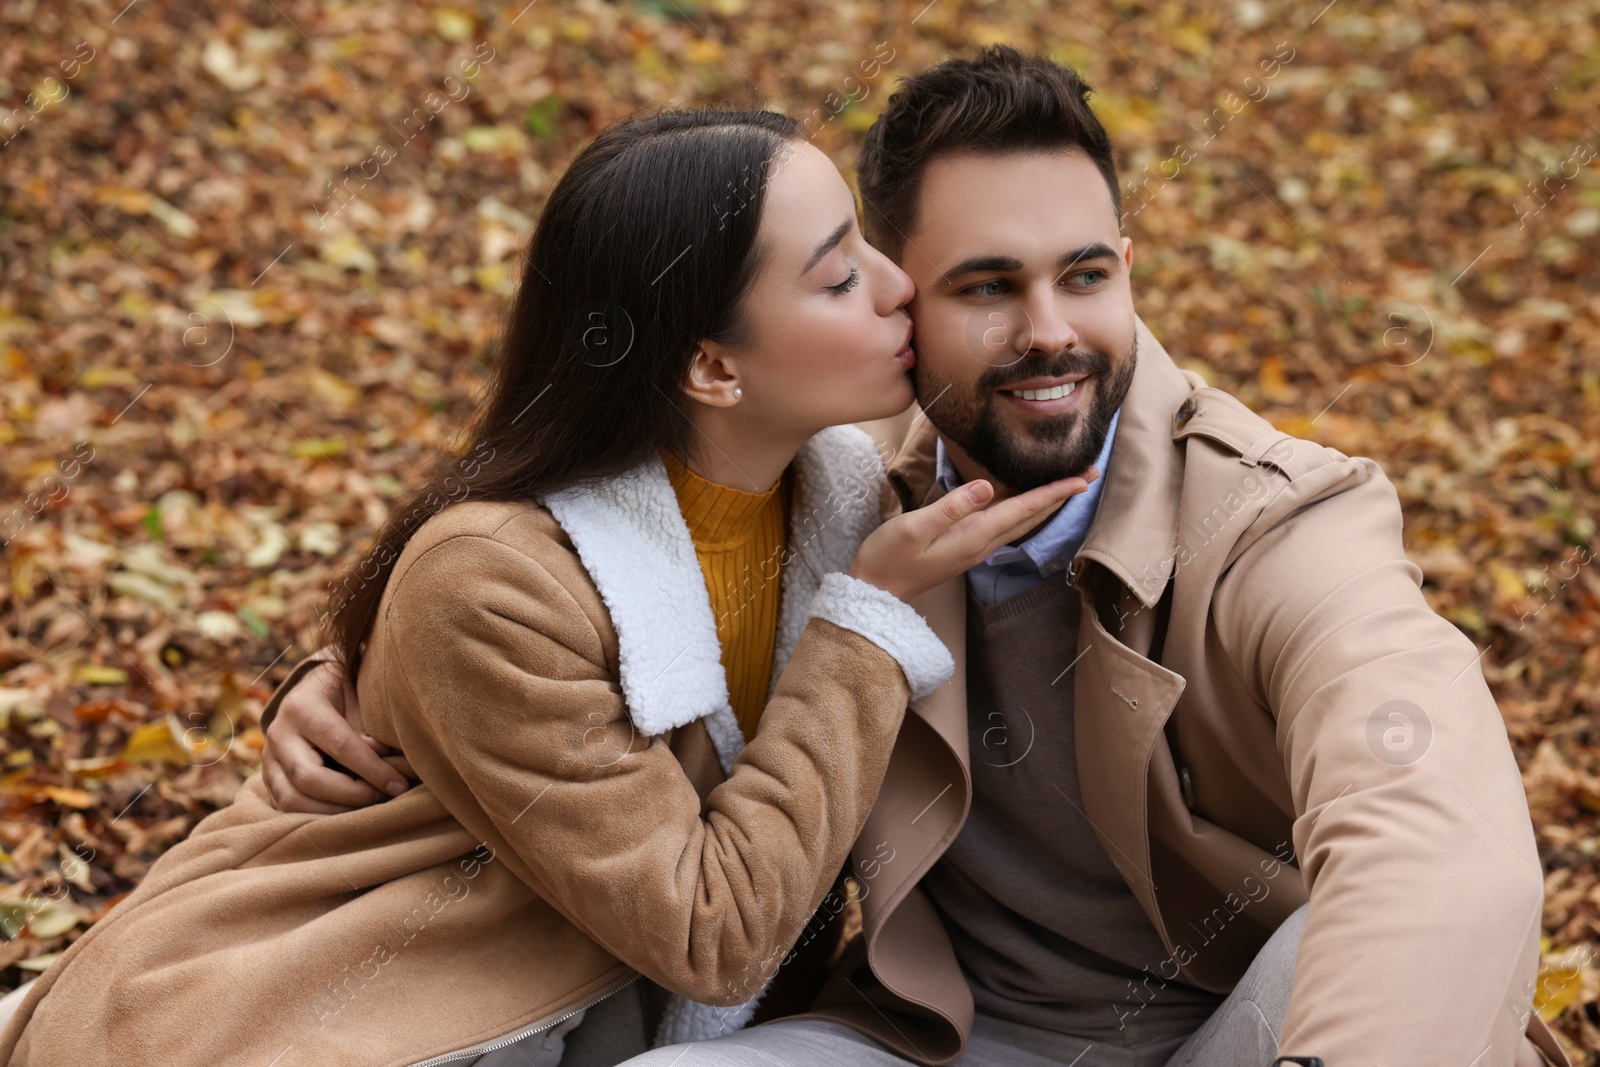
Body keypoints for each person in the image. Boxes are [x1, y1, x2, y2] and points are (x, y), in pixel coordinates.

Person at [269, 49, 1571, 1067]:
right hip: (942, 1033)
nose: (1052, 331)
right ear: (905, 305)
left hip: (1240, 1025)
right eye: (988, 287)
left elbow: (1437, 839)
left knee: (1353, 938)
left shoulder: (1277, 523)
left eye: (1089, 273)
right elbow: (591, 547)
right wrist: (356, 669)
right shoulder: (843, 479)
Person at [0, 107, 1095, 1067]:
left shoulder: (847, 481)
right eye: (842, 272)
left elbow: (1082, 369)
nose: (901, 284)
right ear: (712, 367)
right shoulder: (498, 578)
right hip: (309, 1021)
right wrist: (866, 622)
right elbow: (715, 932)